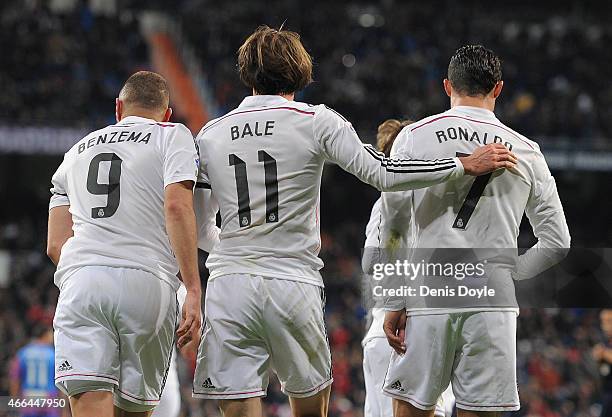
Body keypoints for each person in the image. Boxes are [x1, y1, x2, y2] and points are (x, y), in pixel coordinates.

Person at [191, 26, 516, 417]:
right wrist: (461, 164)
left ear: (246, 71)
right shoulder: (315, 121)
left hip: (230, 283)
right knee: (312, 404)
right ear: (299, 71)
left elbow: (198, 222)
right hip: (292, 280)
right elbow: (384, 172)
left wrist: (236, 250)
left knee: (239, 405)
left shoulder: (211, 133)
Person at [381, 45, 571, 417]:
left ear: (447, 85)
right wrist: (508, 271)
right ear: (498, 89)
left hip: (429, 291)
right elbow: (557, 242)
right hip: (492, 299)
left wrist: (394, 301)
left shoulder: (414, 137)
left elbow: (394, 227)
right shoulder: (528, 151)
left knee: (410, 409)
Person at [47, 71, 204, 417]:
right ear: (166, 114)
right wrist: (192, 288)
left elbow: (56, 244)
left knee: (89, 405)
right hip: (147, 283)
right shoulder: (172, 135)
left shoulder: (74, 152)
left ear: (118, 107)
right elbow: (177, 206)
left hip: (83, 281)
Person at [362, 119, 455, 417]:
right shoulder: (438, 203)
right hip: (415, 335)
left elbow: (370, 262)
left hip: (380, 335)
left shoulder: (385, 203)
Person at [9, 325, 66, 417]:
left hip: (28, 397)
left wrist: (14, 402)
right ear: (45, 335)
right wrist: (63, 408)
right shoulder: (53, 354)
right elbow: (61, 381)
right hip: (49, 397)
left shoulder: (22, 353)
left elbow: (14, 379)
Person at [593, 309, 612, 417]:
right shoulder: (603, 343)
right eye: (603, 321)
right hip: (606, 394)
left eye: (609, 321)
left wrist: (605, 354)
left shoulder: (604, 349)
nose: (605, 326)